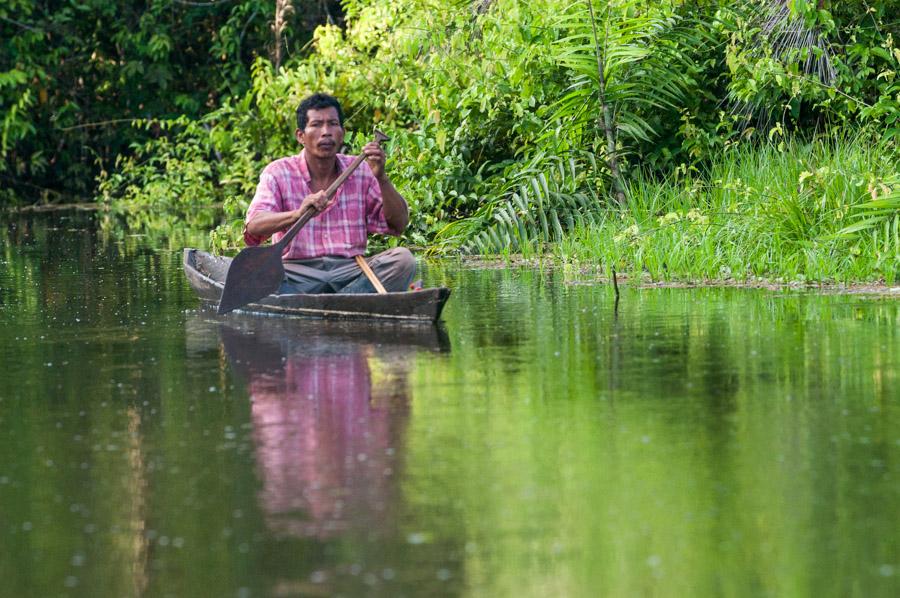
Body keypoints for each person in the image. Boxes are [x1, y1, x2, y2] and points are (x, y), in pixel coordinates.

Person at [243, 93, 416, 294]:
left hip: (350, 269)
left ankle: (341, 299)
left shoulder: (360, 170)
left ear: (342, 133)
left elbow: (399, 224)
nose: (326, 132)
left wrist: (382, 177)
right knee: (256, 274)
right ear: (301, 136)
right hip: (296, 271)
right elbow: (254, 225)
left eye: (333, 124)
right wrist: (296, 214)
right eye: (316, 125)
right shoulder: (278, 172)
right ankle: (351, 301)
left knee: (403, 260)